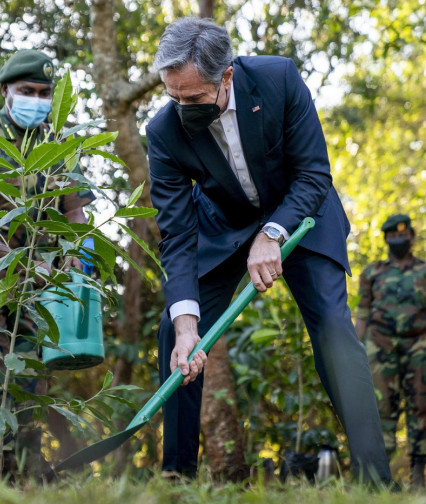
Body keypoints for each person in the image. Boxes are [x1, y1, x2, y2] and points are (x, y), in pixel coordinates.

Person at [146, 17, 392, 485]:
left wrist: (274, 233)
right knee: (173, 333)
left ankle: (374, 478)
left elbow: (315, 173)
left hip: (301, 214)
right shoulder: (163, 132)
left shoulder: (278, 79)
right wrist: (186, 324)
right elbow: (177, 234)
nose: (182, 109)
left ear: (227, 76)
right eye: (172, 97)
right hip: (222, 227)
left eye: (193, 98)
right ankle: (176, 480)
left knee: (334, 329)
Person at [0, 49, 95, 477]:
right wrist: (15, 262)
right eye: (26, 91)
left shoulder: (61, 145)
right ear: (5, 91)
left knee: (31, 389)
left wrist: (76, 253)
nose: (37, 98)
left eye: (44, 92)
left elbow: (75, 211)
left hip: (41, 291)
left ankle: (23, 482)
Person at [355, 214, 426, 486]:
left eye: (403, 235)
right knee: (380, 406)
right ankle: (379, 477)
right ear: (385, 239)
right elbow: (362, 314)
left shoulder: (423, 270)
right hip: (380, 344)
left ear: (411, 236)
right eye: (393, 236)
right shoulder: (372, 272)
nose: (399, 239)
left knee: (421, 406)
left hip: (418, 344)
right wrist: (356, 351)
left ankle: (418, 474)